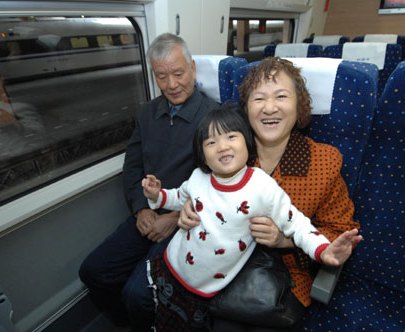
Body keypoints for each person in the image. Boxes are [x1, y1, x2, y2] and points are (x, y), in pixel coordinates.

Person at [179, 57, 362, 331]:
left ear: (299, 105)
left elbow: (340, 230)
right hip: (223, 265)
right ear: (246, 109)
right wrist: (190, 211)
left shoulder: (324, 162)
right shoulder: (227, 152)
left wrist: (284, 241)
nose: (270, 108)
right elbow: (201, 191)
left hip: (287, 277)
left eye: (281, 96)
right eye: (259, 99)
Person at [78, 33, 219, 331]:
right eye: (162, 76)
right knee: (93, 271)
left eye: (179, 74)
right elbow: (133, 168)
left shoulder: (213, 118)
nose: (171, 85)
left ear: (192, 68)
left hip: (185, 222)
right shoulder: (147, 114)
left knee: (137, 293)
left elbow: (218, 184)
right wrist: (141, 208)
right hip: (147, 214)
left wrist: (173, 218)